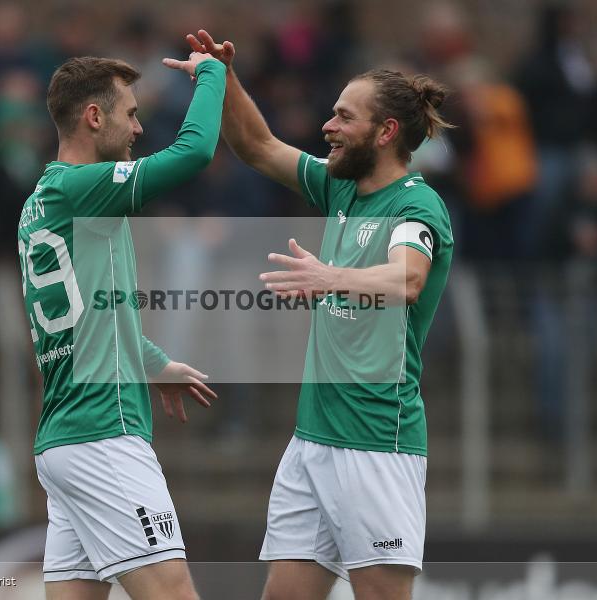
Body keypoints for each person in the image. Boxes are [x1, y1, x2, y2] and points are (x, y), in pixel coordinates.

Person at [176, 31, 454, 600]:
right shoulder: (341, 189)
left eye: (343, 116)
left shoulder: (415, 204)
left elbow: (409, 277)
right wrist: (224, 79)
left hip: (376, 442)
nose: (328, 126)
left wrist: (332, 278)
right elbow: (256, 145)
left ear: (386, 132)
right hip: (312, 443)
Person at [17, 51, 224, 600]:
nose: (138, 127)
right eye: (130, 114)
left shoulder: (39, 202)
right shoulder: (86, 188)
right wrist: (213, 74)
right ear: (93, 117)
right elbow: (196, 150)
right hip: (103, 435)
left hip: (64, 443)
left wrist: (153, 363)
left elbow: (91, 310)